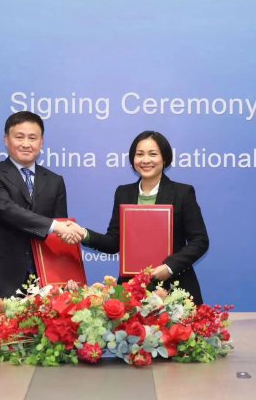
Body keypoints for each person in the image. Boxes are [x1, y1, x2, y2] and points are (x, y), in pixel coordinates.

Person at [79, 130, 209, 303]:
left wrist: (169, 267)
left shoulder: (182, 193)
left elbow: (200, 241)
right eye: (139, 154)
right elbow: (114, 242)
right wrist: (84, 234)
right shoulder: (123, 193)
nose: (145, 160)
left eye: (153, 154)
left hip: (175, 288)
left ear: (165, 158)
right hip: (132, 291)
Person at [0, 111, 83, 310]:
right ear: (6, 140)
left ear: (41, 142)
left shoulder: (55, 181)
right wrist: (55, 226)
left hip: (46, 282)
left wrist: (67, 275)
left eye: (32, 138)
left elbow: (60, 234)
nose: (26, 144)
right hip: (1, 279)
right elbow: (8, 211)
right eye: (19, 137)